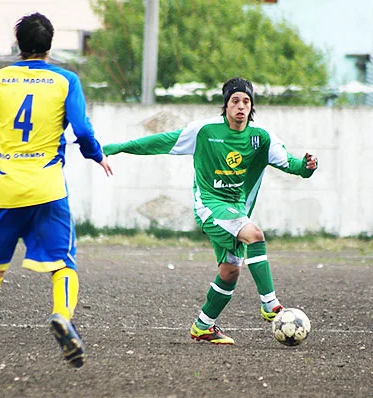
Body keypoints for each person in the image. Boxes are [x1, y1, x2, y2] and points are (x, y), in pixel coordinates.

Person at [0, 12, 113, 379]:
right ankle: (61, 314)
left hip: (4, 191)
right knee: (63, 264)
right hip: (48, 188)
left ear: (18, 43)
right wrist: (96, 154)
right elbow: (82, 127)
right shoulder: (65, 79)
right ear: (50, 45)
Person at [103, 77, 318, 345]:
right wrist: (119, 147)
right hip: (210, 205)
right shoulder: (203, 131)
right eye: (235, 100)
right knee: (255, 235)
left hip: (236, 210)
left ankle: (203, 326)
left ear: (252, 108)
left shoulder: (261, 138)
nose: (241, 106)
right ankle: (269, 304)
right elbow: (160, 141)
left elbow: (294, 165)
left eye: (246, 102)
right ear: (225, 105)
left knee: (230, 271)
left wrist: (308, 166)